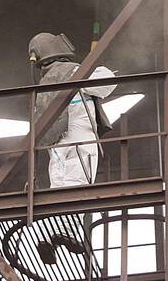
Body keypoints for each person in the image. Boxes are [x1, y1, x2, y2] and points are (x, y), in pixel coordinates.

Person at [27, 32, 117, 189]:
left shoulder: (42, 86)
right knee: (78, 189)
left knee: (58, 189)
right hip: (81, 142)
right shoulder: (74, 72)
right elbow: (107, 84)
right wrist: (96, 68)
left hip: (56, 148)